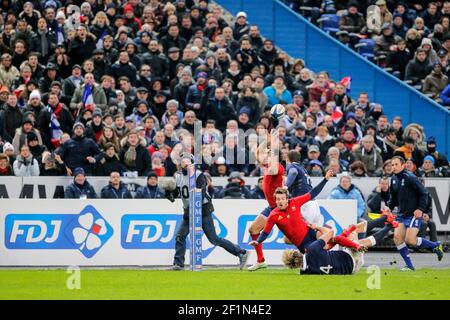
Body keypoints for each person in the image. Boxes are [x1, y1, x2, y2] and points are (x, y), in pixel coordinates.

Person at [169, 153, 249, 271]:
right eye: (183, 161)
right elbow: (177, 193)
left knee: (214, 239)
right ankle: (178, 264)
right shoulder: (178, 176)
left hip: (203, 210)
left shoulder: (198, 175)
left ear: (192, 163)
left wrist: (193, 209)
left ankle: (241, 252)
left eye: (187, 161)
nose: (185, 163)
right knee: (180, 236)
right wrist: (169, 194)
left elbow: (200, 194)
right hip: (188, 211)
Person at [249, 170, 335, 255]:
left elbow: (313, 193)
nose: (280, 201)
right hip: (303, 244)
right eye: (278, 199)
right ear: (275, 201)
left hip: (312, 233)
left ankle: (345, 237)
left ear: (287, 199)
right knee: (317, 251)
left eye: (283, 199)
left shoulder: (295, 202)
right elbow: (265, 232)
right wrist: (258, 241)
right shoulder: (273, 215)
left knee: (333, 238)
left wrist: (325, 179)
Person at [387, 156, 444, 271]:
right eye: (392, 165)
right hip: (401, 215)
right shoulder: (393, 179)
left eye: (396, 164)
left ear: (403, 165)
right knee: (397, 238)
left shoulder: (411, 177)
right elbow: (393, 198)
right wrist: (389, 208)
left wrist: (420, 209)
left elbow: (424, 193)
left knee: (410, 240)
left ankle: (435, 245)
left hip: (413, 214)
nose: (393, 167)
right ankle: (410, 266)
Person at [247, 138, 285, 271]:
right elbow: (258, 153)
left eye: (269, 154)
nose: (265, 155)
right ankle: (260, 260)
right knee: (253, 229)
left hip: (282, 209)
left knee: (293, 239)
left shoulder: (277, 168)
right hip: (272, 208)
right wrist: (267, 140)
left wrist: (272, 148)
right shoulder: (268, 165)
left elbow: (273, 169)